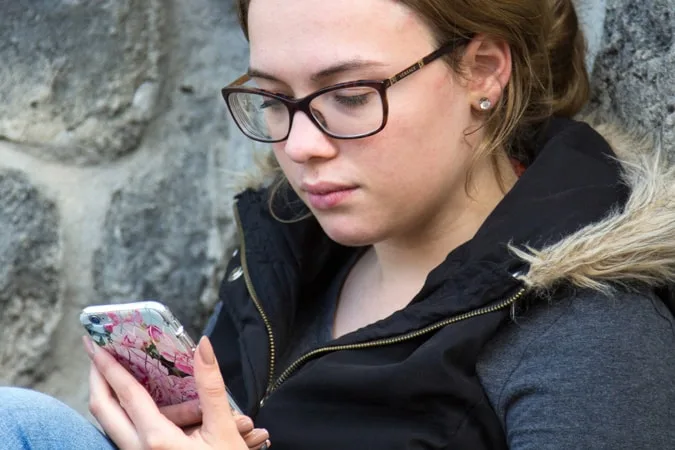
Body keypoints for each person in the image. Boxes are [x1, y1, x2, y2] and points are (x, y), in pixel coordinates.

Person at [1, 0, 674, 448]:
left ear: (483, 72)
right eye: (272, 99)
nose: (298, 146)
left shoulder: (591, 333)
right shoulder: (285, 250)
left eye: (351, 95)